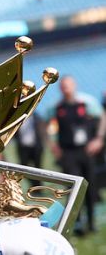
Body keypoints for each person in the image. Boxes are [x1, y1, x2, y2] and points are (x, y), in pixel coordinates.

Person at [49, 75, 103, 234]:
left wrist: (99, 139)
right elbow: (46, 124)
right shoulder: (56, 107)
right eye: (63, 86)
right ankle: (77, 223)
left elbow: (102, 117)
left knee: (90, 186)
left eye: (68, 85)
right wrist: (52, 144)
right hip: (68, 152)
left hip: (86, 150)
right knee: (73, 188)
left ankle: (91, 222)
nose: (66, 88)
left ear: (74, 85)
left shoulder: (87, 102)